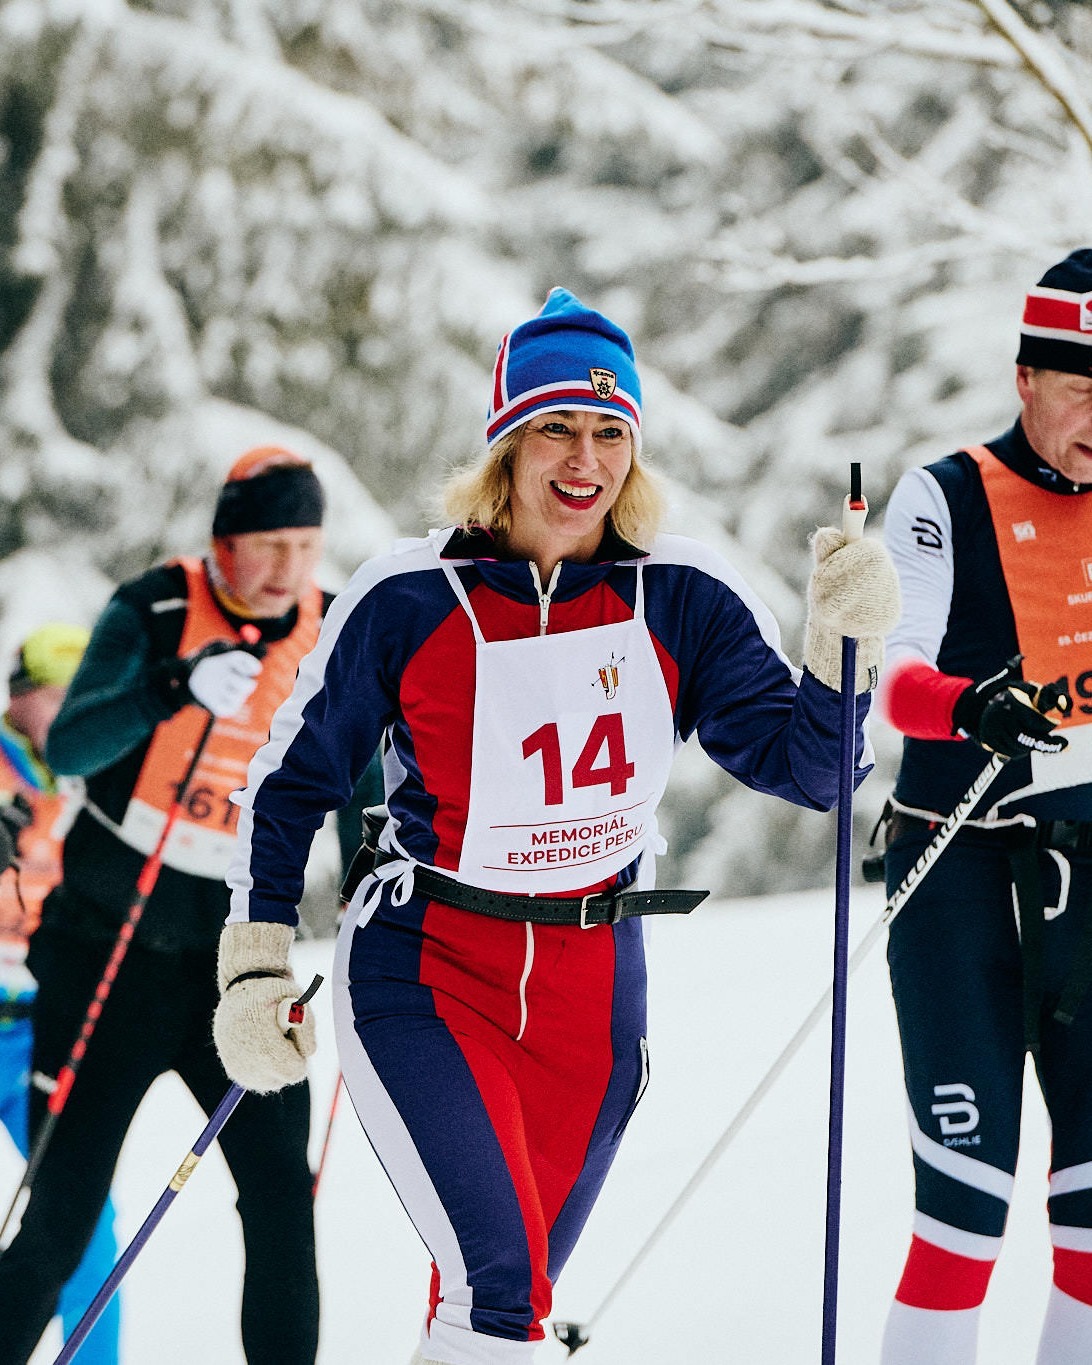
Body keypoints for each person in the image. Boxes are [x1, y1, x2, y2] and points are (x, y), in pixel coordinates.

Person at [210, 287, 901, 1364]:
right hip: (426, 971)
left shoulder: (683, 596)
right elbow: (290, 783)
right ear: (505, 445)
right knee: (502, 1290)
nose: (585, 459)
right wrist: (253, 966)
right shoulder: (409, 594)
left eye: (610, 433)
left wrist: (839, 655)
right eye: (556, 429)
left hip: (593, 993)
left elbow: (812, 771)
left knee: (495, 1299)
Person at [0, 447, 338, 1364]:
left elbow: (377, 769)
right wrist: (171, 686)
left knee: (280, 1202)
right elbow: (71, 741)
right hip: (108, 951)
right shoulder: (154, 606)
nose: (287, 569)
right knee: (61, 1219)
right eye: (268, 543)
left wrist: (378, 858)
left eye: (305, 545)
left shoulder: (333, 625)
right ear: (224, 544)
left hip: (242, 961)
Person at [876, 249, 1092, 1364]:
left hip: (1088, 887)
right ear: (1026, 380)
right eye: (1082, 388)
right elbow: (895, 672)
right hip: (957, 874)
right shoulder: (945, 493)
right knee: (961, 1215)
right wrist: (967, 706)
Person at [0, 623, 121, 1364]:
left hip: (34, 1029)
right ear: (21, 699)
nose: (78, 717)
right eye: (62, 700)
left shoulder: (85, 779)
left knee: (82, 1221)